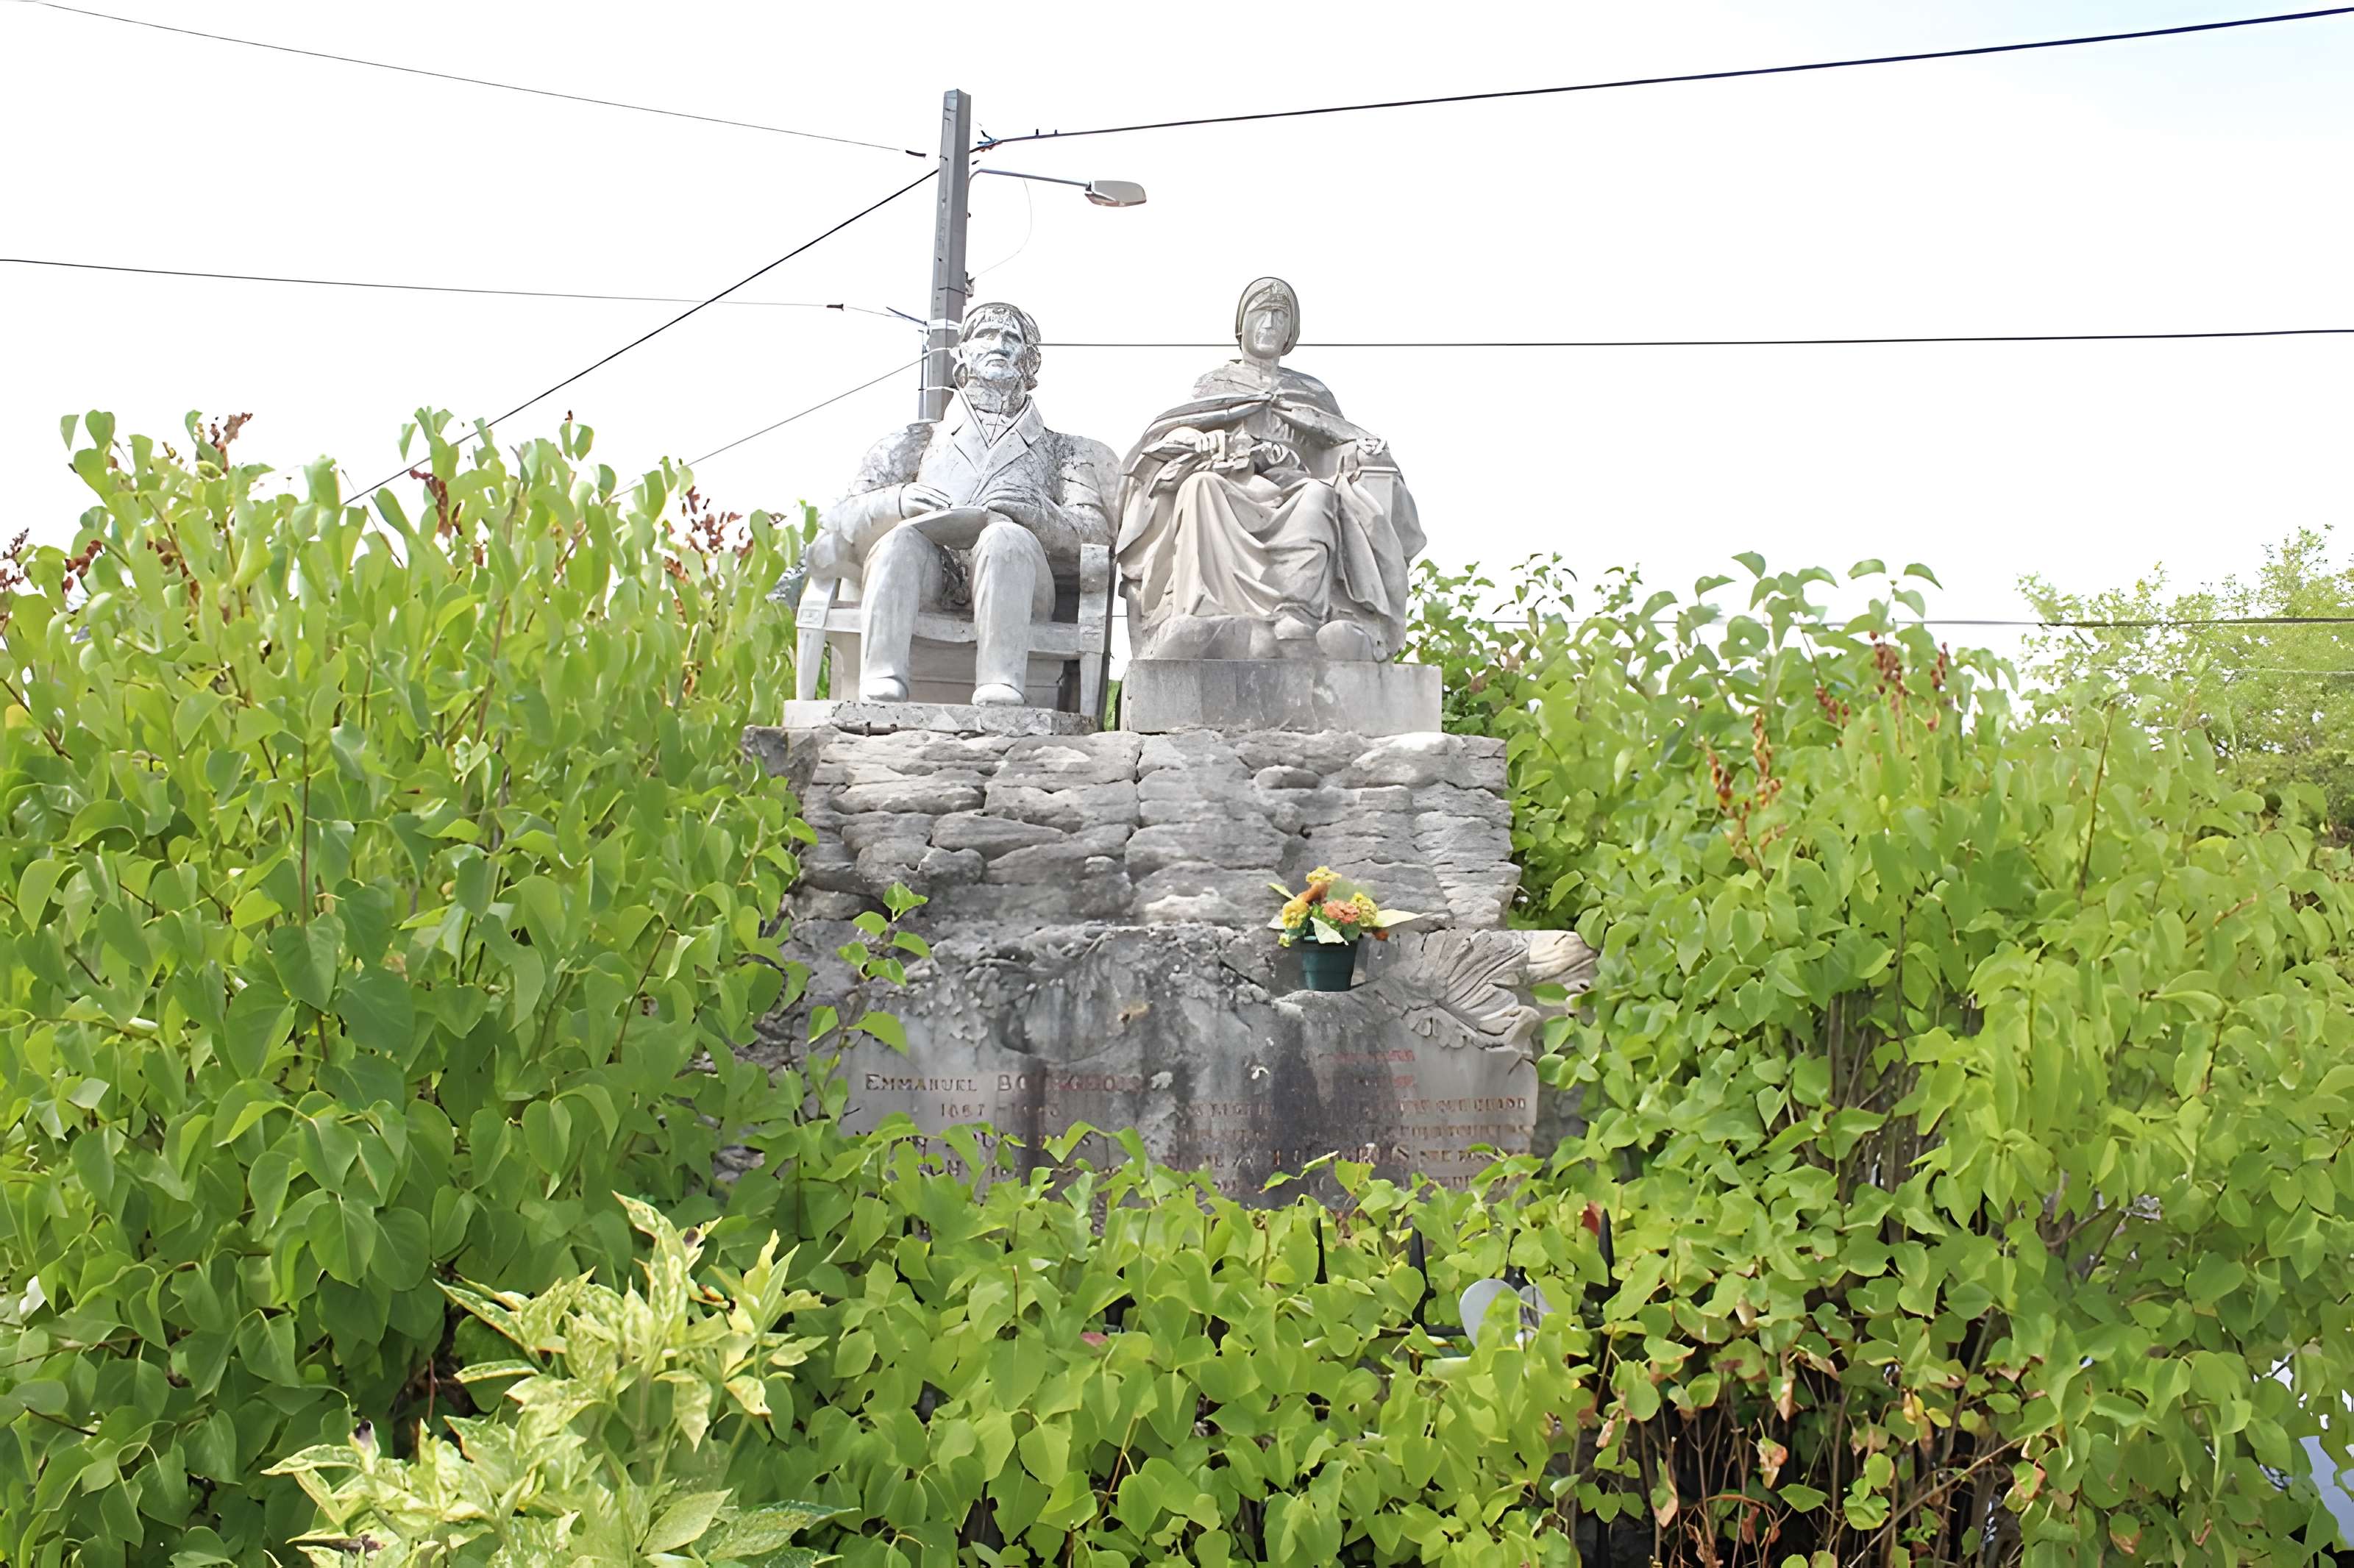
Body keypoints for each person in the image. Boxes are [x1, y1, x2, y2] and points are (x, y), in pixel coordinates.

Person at [807, 302, 1115, 704]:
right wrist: (898, 501)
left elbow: (1096, 537)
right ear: (963, 353)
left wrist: (1043, 516)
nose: (999, 344)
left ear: (1031, 361)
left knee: (1005, 538)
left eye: (1012, 338)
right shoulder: (915, 441)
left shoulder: (1067, 453)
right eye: (986, 335)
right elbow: (839, 519)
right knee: (900, 541)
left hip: (1021, 581)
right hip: (932, 576)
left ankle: (1001, 682)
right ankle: (884, 677)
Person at [1115, 277, 1424, 661]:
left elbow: (1341, 441)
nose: (1270, 325)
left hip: (1294, 484)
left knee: (1319, 496)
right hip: (1234, 481)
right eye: (1261, 314)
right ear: (1241, 325)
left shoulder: (1311, 392)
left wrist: (1362, 450)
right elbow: (1174, 431)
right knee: (1199, 487)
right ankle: (1205, 610)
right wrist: (1203, 441)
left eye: (1281, 317)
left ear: (1291, 333)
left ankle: (1300, 613)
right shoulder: (1215, 385)